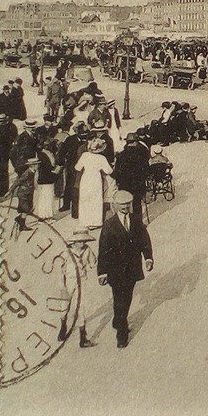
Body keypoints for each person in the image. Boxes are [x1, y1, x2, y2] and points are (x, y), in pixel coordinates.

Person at [97, 191, 154, 349]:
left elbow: (144, 240)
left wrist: (148, 258)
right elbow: (103, 250)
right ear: (115, 206)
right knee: (119, 300)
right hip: (115, 271)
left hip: (133, 268)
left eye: (128, 204)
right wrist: (102, 272)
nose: (125, 207)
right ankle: (122, 334)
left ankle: (118, 320)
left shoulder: (136, 220)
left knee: (127, 298)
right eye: (122, 204)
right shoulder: (109, 225)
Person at [113, 132, 151, 224]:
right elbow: (146, 168)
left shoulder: (121, 155)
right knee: (137, 203)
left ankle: (127, 222)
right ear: (135, 142)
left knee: (126, 203)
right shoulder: (141, 153)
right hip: (138, 183)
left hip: (124, 184)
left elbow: (117, 171)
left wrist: (118, 181)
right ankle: (138, 223)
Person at [75, 137, 113, 228]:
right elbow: (109, 171)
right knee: (95, 200)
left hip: (85, 178)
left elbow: (77, 167)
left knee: (85, 199)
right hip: (95, 179)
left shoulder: (85, 155)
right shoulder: (101, 158)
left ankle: (84, 221)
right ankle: (95, 222)